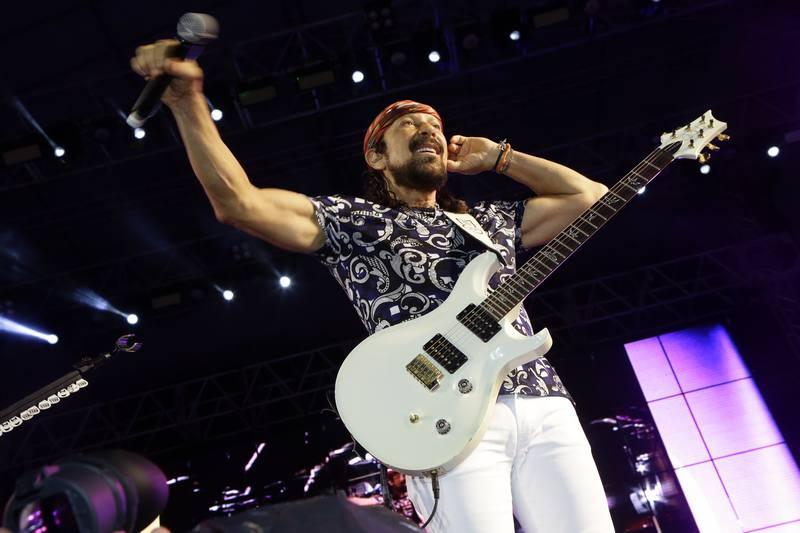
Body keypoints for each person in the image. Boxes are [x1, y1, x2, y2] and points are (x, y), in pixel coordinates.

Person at [130, 39, 616, 533]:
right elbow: (239, 202)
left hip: (542, 401)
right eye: (408, 124)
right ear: (377, 156)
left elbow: (591, 198)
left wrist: (500, 158)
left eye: (435, 126)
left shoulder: (489, 222)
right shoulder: (354, 222)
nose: (428, 129)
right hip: (444, 418)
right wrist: (187, 104)